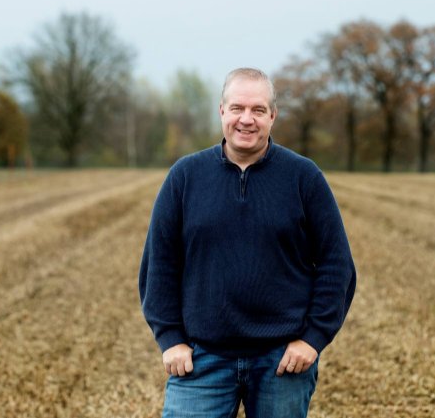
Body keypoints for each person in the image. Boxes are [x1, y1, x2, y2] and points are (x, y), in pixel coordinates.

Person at [139, 67, 356, 417]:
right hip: (200, 359)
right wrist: (171, 339)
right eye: (237, 108)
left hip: (281, 361)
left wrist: (312, 339)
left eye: (257, 110)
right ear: (221, 111)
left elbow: (336, 265)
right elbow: (160, 264)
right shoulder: (185, 176)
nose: (246, 119)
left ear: (273, 116)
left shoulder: (304, 177)